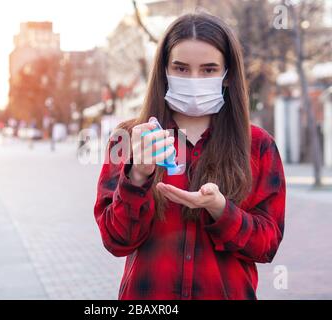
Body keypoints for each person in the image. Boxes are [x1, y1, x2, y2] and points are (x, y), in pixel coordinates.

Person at [94, 12, 286, 300]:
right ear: (164, 71)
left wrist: (222, 210)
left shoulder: (258, 145)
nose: (194, 79)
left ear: (227, 74)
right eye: (181, 69)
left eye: (208, 70)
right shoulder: (131, 138)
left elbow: (267, 246)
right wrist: (136, 176)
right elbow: (116, 241)